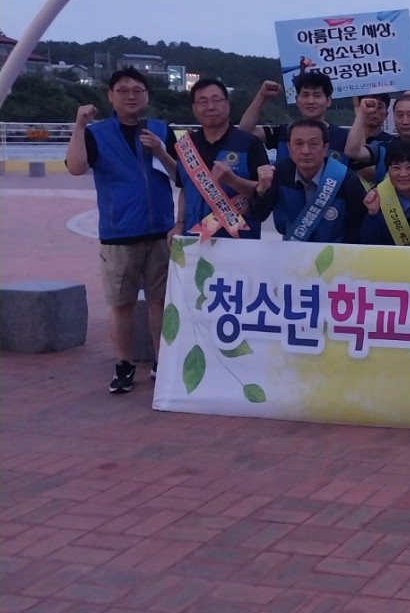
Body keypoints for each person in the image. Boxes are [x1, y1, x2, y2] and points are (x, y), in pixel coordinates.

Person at [65, 67, 178, 394]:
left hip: (161, 231)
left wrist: (161, 150)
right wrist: (79, 125)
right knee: (121, 303)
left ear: (147, 96)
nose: (131, 96)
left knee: (160, 301)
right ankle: (124, 364)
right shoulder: (97, 133)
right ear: (110, 96)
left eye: (138, 90)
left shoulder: (162, 130)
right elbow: (76, 167)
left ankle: (161, 362)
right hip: (119, 233)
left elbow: (181, 176)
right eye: (123, 90)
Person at [172, 77, 270, 241]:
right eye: (203, 101)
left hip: (239, 241)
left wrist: (232, 180)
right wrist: (179, 223)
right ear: (194, 108)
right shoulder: (186, 145)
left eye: (216, 100)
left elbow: (265, 193)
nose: (210, 106)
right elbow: (184, 189)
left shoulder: (249, 144)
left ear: (227, 104)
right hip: (193, 239)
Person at [248, 119, 366, 244]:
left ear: (325, 148)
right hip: (294, 247)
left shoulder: (345, 178)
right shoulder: (279, 172)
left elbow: (359, 227)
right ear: (289, 148)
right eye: (298, 143)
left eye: (313, 144)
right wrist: (261, 191)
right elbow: (259, 216)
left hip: (335, 250)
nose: (306, 151)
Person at [239, 71, 351, 166]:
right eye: (305, 95)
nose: (310, 101)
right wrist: (262, 96)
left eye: (317, 95)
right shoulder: (283, 132)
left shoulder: (344, 137)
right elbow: (244, 132)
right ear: (297, 100)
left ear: (328, 101)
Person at [346, 93, 410, 188]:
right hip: (389, 199)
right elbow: (353, 151)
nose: (405, 121)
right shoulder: (383, 148)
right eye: (400, 115)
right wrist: (362, 113)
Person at [360, 138, 410, 246]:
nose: (403, 174)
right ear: (388, 170)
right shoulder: (377, 195)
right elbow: (367, 243)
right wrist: (373, 214)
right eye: (396, 168)